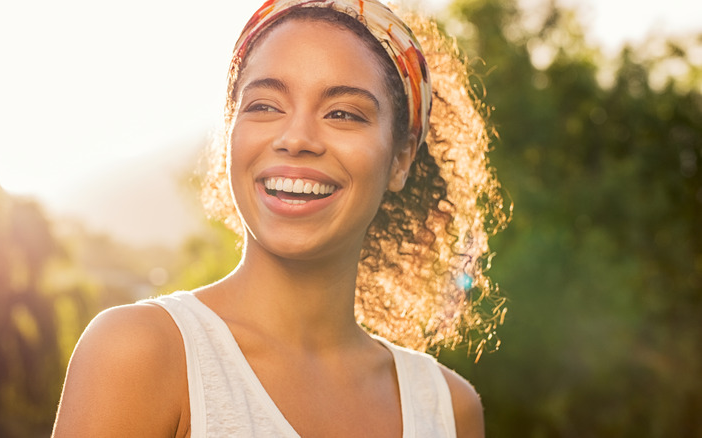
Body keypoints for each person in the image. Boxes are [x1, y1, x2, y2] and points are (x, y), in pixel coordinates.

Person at [53, 0, 506, 436]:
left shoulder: (449, 410)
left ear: (401, 157)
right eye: (265, 106)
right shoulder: (140, 353)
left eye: (343, 113)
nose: (296, 138)